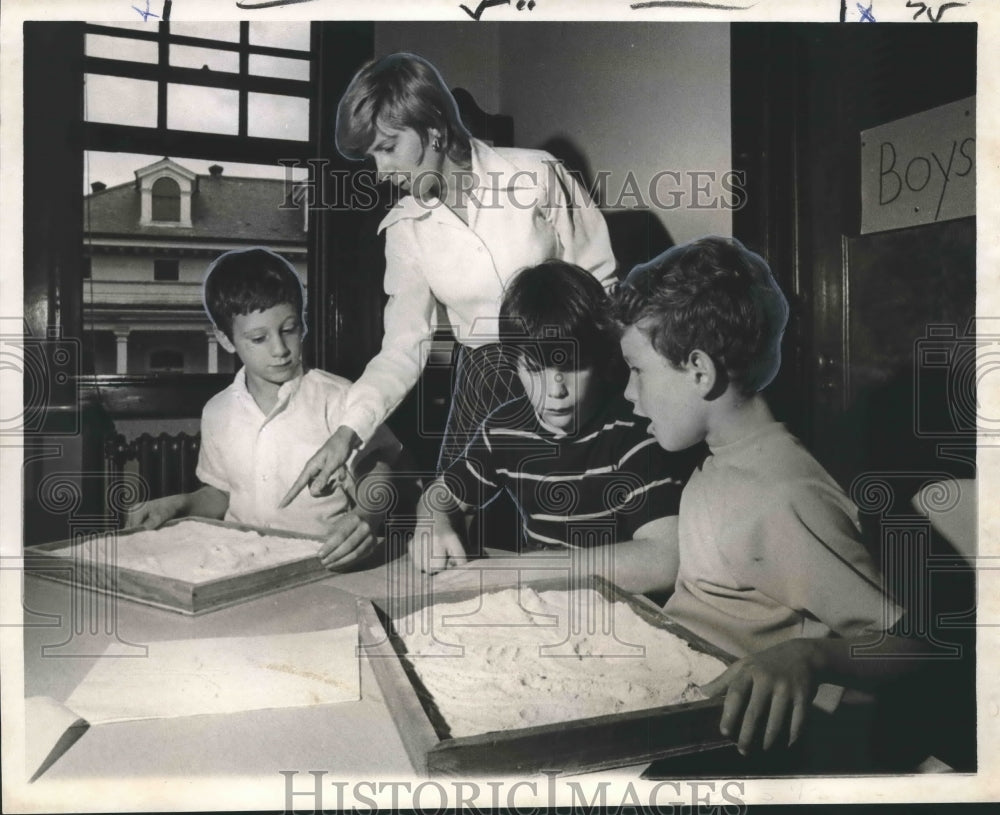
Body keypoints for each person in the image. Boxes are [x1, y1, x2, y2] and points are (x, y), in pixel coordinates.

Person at [613, 236, 929, 755]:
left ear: (699, 370)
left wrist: (809, 657)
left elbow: (910, 647)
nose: (629, 393)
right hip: (677, 702)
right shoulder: (720, 461)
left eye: (637, 370)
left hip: (730, 745)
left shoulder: (783, 492)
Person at [280, 52, 616, 510]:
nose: (380, 173)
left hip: (569, 370)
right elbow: (403, 345)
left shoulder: (538, 175)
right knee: (456, 537)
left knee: (566, 540)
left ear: (434, 129)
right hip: (485, 387)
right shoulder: (404, 228)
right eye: (371, 155)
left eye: (387, 147)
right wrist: (347, 434)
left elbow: (600, 285)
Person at [411, 260, 700, 586]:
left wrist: (514, 570)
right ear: (514, 365)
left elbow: (664, 560)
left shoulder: (636, 431)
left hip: (618, 611)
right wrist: (432, 523)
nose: (555, 390)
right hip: (543, 602)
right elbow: (441, 493)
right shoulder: (506, 429)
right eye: (535, 369)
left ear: (601, 359)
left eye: (573, 366)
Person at [124, 248, 402, 571]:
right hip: (239, 565)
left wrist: (367, 515)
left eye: (289, 329)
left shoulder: (340, 397)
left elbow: (380, 470)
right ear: (226, 339)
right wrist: (182, 503)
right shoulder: (217, 412)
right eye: (259, 338)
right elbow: (222, 494)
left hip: (321, 565)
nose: (281, 350)